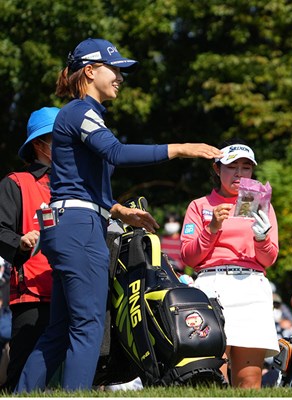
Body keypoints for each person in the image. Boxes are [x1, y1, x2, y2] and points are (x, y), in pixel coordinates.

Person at [15, 38, 222, 393]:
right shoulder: (81, 111)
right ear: (90, 71)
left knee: (62, 329)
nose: (121, 77)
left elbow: (80, 184)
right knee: (88, 326)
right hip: (78, 229)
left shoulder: (82, 114)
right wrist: (180, 148)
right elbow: (116, 153)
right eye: (115, 69)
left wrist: (120, 210)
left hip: (72, 223)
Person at [180, 140, 279, 389]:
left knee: (249, 379)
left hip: (252, 287)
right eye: (232, 166)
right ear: (217, 169)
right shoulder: (199, 206)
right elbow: (188, 257)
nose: (239, 173)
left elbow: (269, 259)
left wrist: (261, 238)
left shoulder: (261, 205)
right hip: (209, 288)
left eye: (246, 167)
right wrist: (211, 229)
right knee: (213, 375)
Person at [0, 107, 59, 392]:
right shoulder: (15, 184)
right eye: (58, 138)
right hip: (32, 293)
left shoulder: (77, 186)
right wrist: (20, 240)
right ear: (39, 145)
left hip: (72, 289)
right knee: (24, 373)